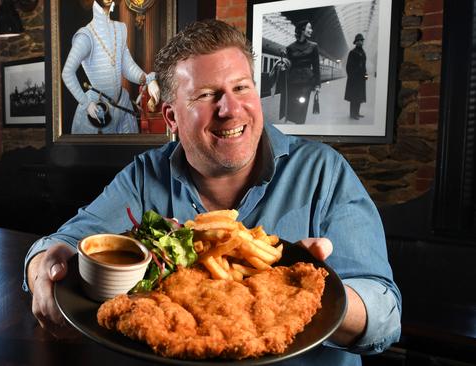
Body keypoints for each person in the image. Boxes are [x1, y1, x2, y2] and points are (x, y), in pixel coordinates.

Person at [25, 19, 401, 364]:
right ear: (171, 117)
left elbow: (385, 317)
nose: (230, 109)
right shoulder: (144, 176)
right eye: (206, 95)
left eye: (241, 87)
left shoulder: (323, 171)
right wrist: (42, 265)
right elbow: (62, 243)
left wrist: (309, 290)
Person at [61, 0, 159, 134]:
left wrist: (148, 79)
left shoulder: (120, 29)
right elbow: (67, 73)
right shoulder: (86, 36)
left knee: (129, 153)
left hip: (122, 106)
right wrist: (86, 103)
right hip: (98, 110)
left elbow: (127, 66)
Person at [282, 20, 321, 124]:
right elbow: (288, 64)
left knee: (301, 109)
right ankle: (295, 127)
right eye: (309, 28)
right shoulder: (290, 48)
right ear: (302, 30)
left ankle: (299, 127)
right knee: (293, 111)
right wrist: (283, 66)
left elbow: (316, 67)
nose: (311, 30)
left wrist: (317, 85)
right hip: (292, 82)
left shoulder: (314, 46)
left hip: (307, 82)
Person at [345, 33, 368, 120]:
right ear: (356, 42)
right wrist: (352, 77)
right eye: (359, 40)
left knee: (359, 96)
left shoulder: (363, 52)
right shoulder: (352, 52)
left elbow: (364, 66)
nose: (361, 42)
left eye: (362, 40)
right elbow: (348, 67)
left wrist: (365, 75)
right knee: (353, 97)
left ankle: (357, 113)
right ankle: (352, 114)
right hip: (354, 79)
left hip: (361, 79)